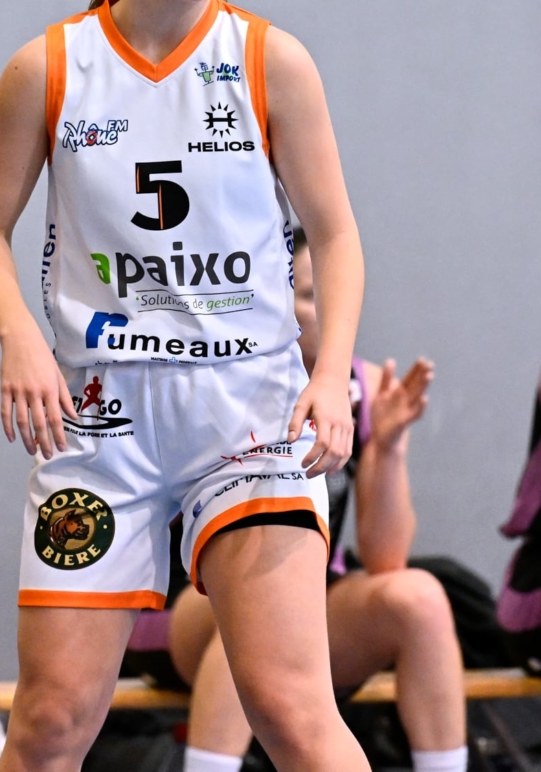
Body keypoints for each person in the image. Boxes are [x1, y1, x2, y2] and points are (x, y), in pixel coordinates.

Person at [0, 0, 368, 772]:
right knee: (50, 723)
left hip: (247, 413)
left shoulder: (269, 60)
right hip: (100, 421)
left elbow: (338, 235)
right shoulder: (48, 67)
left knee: (292, 711)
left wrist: (331, 373)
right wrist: (18, 334)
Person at [166, 229, 467, 772]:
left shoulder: (364, 388)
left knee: (420, 598)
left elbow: (386, 559)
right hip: (191, 602)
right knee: (260, 601)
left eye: (325, 294)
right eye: (305, 295)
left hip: (313, 598)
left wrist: (387, 449)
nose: (322, 312)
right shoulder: (219, 376)